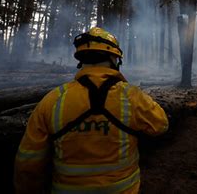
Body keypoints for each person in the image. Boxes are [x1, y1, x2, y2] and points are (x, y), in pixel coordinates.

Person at [14, 27, 169, 194]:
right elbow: (160, 125)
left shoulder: (52, 100)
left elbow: (27, 162)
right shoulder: (131, 96)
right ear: (114, 59)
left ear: (81, 60)